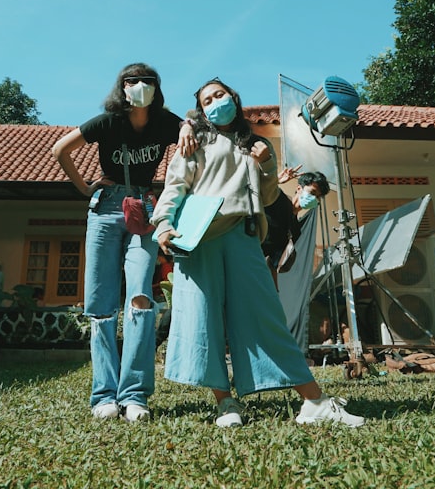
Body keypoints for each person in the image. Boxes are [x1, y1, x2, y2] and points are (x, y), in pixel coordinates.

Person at [152, 77, 365, 428]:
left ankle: (313, 402)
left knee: (266, 317)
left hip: (244, 237)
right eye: (207, 100)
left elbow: (267, 199)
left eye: (219, 94)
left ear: (234, 97)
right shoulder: (196, 140)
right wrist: (163, 225)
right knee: (204, 321)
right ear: (201, 110)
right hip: (199, 237)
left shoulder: (258, 144)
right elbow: (175, 186)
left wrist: (267, 165)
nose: (215, 102)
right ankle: (225, 402)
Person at [52, 62, 195, 423]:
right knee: (100, 305)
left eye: (147, 81)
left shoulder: (165, 121)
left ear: (156, 88)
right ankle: (103, 394)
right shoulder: (107, 122)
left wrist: (190, 125)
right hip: (105, 208)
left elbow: (188, 129)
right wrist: (84, 188)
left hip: (143, 210)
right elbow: (60, 150)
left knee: (141, 299)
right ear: (122, 87)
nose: (140, 86)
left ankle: (134, 395)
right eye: (132, 81)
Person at [261, 167, 330, 289]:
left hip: (263, 274)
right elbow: (255, 191)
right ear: (299, 188)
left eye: (318, 197)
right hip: (245, 259)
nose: (314, 199)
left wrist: (274, 290)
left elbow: (272, 261)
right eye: (312, 193)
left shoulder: (295, 230)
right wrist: (275, 181)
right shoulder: (277, 200)